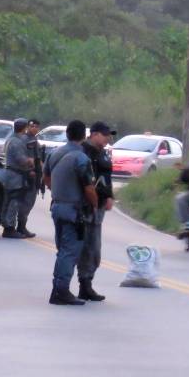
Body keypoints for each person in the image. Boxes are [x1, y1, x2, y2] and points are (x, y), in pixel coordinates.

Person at [42, 120, 98, 306]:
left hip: (57, 206)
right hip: (74, 210)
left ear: (67, 134)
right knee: (70, 252)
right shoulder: (81, 158)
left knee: (62, 250)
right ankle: (61, 291)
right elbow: (89, 188)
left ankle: (58, 288)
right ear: (84, 136)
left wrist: (59, 191)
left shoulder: (54, 154)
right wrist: (94, 204)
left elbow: (46, 178)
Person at [77, 121, 116, 302]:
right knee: (87, 247)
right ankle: (83, 284)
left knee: (95, 249)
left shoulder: (103, 153)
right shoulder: (83, 152)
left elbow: (106, 178)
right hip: (85, 206)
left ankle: (88, 282)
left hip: (99, 206)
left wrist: (109, 196)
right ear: (94, 134)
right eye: (104, 134)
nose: (107, 138)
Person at [1, 118, 33, 239]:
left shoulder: (11, 139)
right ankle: (9, 227)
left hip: (11, 174)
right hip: (15, 175)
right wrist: (31, 161)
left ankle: (8, 225)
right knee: (14, 201)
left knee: (9, 200)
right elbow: (21, 160)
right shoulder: (16, 142)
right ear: (24, 128)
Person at [17, 118, 43, 237]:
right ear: (27, 127)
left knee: (29, 201)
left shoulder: (34, 139)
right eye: (32, 126)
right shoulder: (24, 140)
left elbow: (38, 158)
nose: (34, 128)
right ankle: (21, 227)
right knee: (27, 202)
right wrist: (31, 171)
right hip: (28, 174)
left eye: (36, 126)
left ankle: (22, 226)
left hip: (35, 173)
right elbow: (25, 159)